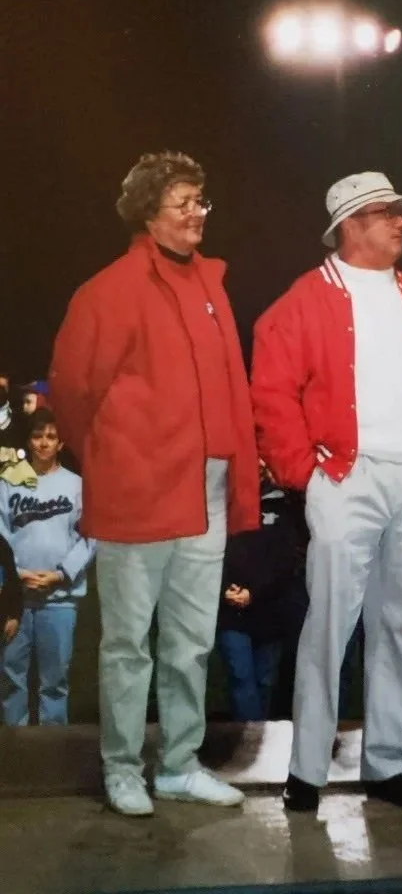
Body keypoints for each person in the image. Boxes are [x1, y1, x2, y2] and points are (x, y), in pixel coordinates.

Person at [251, 170, 402, 812]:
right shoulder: (304, 299)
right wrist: (305, 473)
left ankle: (386, 762)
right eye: (386, 213)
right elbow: (271, 392)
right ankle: (307, 770)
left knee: (400, 624)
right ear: (350, 225)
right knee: (330, 620)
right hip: (348, 475)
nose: (401, 221)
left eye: (400, 212)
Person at [49, 151, 260, 815]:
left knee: (191, 640)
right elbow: (72, 392)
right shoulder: (107, 290)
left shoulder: (212, 286)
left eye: (202, 201)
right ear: (149, 210)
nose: (198, 213)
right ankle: (121, 768)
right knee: (127, 642)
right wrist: (117, 459)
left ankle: (177, 763)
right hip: (139, 489)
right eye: (184, 202)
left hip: (208, 488)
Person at [0, 408, 95, 725]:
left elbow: (90, 536)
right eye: (38, 436)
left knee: (54, 684)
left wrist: (59, 575)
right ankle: (16, 757)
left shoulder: (76, 486)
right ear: (29, 439)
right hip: (16, 602)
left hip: (60, 600)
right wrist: (15, 576)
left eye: (50, 437)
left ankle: (55, 757)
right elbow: (1, 534)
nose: (43, 443)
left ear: (61, 443)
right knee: (12, 681)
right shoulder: (9, 483)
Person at [217, 466, 300, 721]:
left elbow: (287, 559)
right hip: (231, 611)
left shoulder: (284, 504)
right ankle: (248, 743)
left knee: (265, 682)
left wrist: (255, 593)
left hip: (270, 610)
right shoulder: (220, 500)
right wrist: (225, 589)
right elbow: (208, 551)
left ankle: (259, 743)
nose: (258, 465)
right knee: (241, 679)